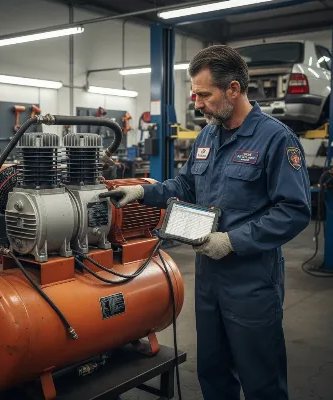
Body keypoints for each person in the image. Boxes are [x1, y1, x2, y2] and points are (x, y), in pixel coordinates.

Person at [109, 45, 311, 400]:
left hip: (252, 282)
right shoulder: (207, 136)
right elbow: (186, 186)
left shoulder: (276, 139)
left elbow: (293, 210)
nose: (197, 103)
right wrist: (142, 192)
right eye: (195, 95)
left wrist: (232, 241)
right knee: (213, 373)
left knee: (261, 379)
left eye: (205, 94)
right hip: (208, 279)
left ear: (233, 89)